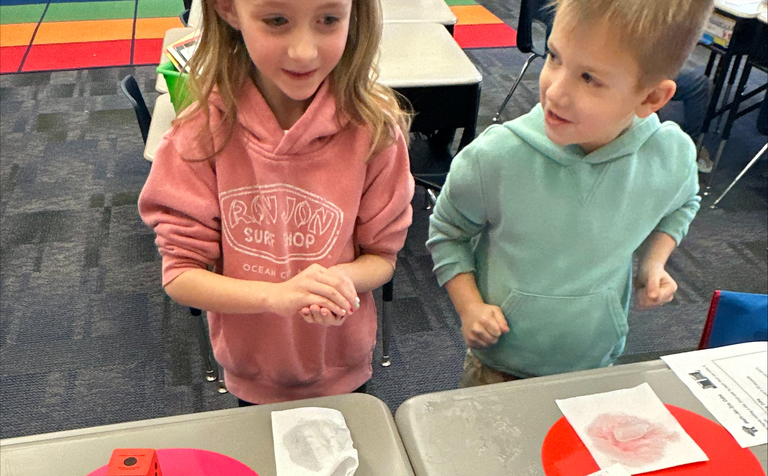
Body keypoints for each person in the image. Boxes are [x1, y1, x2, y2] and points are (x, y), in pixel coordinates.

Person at [139, 0, 414, 405]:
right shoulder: (200, 134)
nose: (303, 51)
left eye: (328, 19)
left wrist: (338, 284)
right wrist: (277, 297)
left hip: (341, 365)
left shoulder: (373, 131)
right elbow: (180, 275)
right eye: (276, 20)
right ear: (229, 10)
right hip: (253, 371)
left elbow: (382, 258)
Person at [427, 0, 711, 388]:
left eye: (590, 78)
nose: (555, 92)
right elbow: (447, 232)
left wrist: (654, 262)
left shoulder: (671, 154)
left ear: (651, 99)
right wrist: (470, 307)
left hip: (595, 360)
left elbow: (683, 202)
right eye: (554, 57)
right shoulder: (495, 157)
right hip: (499, 365)